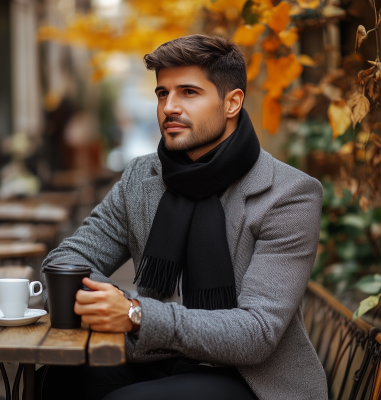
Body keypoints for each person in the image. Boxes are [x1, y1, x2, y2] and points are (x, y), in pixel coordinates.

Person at [38, 34, 327, 400]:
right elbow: (65, 261)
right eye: (162, 93)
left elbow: (256, 334)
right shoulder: (142, 179)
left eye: (188, 92)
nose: (169, 107)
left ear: (232, 103)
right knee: (58, 379)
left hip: (251, 377)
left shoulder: (288, 193)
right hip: (155, 353)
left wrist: (135, 313)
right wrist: (105, 302)